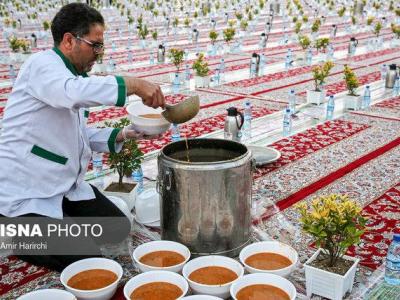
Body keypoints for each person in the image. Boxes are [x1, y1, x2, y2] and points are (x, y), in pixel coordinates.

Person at [0, 3, 165, 271]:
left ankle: (59, 223)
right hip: (25, 196)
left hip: (63, 189)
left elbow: (75, 136)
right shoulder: (42, 66)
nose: (98, 54)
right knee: (89, 265)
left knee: (116, 229)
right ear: (68, 40)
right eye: (95, 45)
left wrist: (123, 133)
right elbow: (72, 92)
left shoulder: (69, 75)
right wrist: (133, 84)